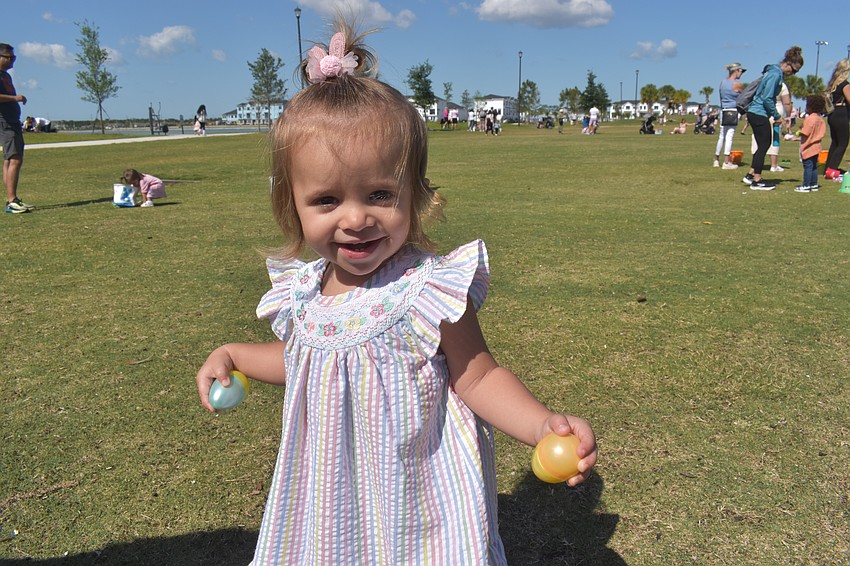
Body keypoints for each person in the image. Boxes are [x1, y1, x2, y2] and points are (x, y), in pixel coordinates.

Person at [195, 20, 597, 565]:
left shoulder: (426, 289)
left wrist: (538, 424)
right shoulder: (304, 293)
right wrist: (236, 353)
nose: (356, 218)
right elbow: (310, 360)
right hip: (330, 500)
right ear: (294, 206)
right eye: (327, 200)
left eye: (380, 193)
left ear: (417, 194)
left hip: (417, 495)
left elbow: (478, 375)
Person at [742, 46, 803, 191]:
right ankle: (757, 180)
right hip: (758, 113)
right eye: (793, 70)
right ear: (788, 63)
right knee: (764, 145)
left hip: (758, 112)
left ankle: (751, 175)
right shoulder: (775, 74)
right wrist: (777, 116)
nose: (793, 74)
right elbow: (767, 98)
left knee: (763, 144)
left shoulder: (773, 71)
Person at [0, 43, 33, 214]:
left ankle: (12, 199)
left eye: (14, 57)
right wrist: (15, 98)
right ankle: (12, 200)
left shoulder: (5, 76)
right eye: (9, 57)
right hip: (5, 122)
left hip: (13, 121)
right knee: (15, 159)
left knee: (9, 160)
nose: (12, 60)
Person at [714, 62, 746, 169]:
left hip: (723, 110)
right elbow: (745, 96)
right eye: (741, 71)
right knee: (729, 136)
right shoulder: (737, 84)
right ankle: (726, 162)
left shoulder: (722, 83)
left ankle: (716, 159)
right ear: (736, 71)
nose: (741, 74)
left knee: (721, 136)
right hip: (733, 111)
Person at [793, 94, 827, 193]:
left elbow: (806, 132)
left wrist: (799, 132)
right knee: (814, 166)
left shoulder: (809, 119)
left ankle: (806, 185)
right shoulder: (820, 120)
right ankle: (814, 184)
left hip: (808, 146)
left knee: (807, 166)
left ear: (810, 107)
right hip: (817, 146)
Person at [824, 59, 850, 181]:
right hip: (841, 114)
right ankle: (833, 169)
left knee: (835, 142)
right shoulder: (845, 84)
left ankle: (828, 168)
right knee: (843, 142)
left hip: (833, 114)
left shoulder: (833, 84)